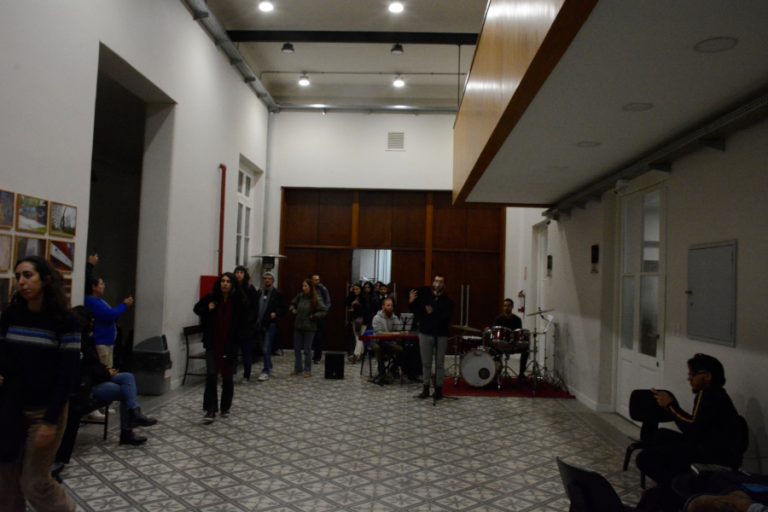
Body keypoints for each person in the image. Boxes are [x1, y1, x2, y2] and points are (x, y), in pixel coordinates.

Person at [0, 256, 80, 511]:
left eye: (28, 275)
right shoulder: (12, 315)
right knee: (6, 480)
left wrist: (50, 421)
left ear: (45, 279)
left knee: (34, 482)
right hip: (12, 407)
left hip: (45, 410)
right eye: (18, 277)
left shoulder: (65, 321)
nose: (21, 282)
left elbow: (68, 375)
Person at [55, 306, 157, 477]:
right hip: (89, 385)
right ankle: (128, 426)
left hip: (98, 377)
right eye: (91, 321)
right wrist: (107, 372)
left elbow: (94, 364)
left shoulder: (88, 339)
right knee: (124, 391)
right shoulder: (77, 342)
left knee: (128, 378)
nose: (93, 324)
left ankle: (134, 412)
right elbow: (87, 369)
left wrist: (106, 371)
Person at [636, 353, 742, 511]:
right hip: (706, 445)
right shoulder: (716, 393)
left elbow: (692, 427)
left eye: (693, 375)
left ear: (707, 376)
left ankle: (676, 490)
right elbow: (696, 423)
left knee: (645, 458)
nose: (689, 379)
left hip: (712, 455)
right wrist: (671, 406)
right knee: (661, 435)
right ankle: (672, 485)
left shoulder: (708, 393)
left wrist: (670, 406)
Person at [193, 273, 247, 424]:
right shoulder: (212, 297)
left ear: (233, 285)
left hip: (229, 345)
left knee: (227, 377)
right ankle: (210, 409)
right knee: (211, 375)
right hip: (213, 343)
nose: (225, 284)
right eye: (222, 281)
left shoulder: (238, 301)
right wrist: (208, 308)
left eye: (228, 282)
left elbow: (244, 321)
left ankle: (225, 406)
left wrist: (239, 339)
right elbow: (197, 309)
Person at [409, 274, 453, 401]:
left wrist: (432, 312)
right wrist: (411, 301)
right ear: (433, 283)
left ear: (444, 285)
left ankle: (438, 389)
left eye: (440, 281)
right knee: (426, 363)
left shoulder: (448, 301)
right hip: (425, 333)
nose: (437, 284)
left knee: (439, 363)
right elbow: (417, 311)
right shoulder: (425, 297)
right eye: (436, 281)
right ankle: (426, 388)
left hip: (441, 335)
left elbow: (445, 317)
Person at [84, 276, 134, 370]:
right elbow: (109, 315)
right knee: (105, 372)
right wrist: (124, 305)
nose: (104, 286)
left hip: (107, 343)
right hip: (101, 343)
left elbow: (112, 316)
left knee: (109, 370)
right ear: (94, 287)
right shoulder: (91, 301)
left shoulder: (100, 301)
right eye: (101, 284)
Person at [288, 278, 327, 377]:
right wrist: (293, 309)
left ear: (310, 287)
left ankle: (307, 370)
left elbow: (324, 311)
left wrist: (314, 316)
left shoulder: (316, 298)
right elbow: (292, 304)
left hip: (309, 327)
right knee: (297, 349)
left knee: (307, 350)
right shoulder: (300, 296)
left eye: (305, 286)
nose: (303, 288)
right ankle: (298, 369)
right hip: (298, 326)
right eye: (303, 286)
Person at [254, 271, 286, 382]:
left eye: (269, 278)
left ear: (273, 281)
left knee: (266, 347)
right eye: (265, 278)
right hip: (260, 324)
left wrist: (276, 314)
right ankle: (269, 364)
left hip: (271, 324)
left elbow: (283, 308)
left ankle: (266, 370)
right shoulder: (259, 292)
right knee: (263, 347)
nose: (267, 280)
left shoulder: (277, 294)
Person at [493, 298, 528, 383]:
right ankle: (497, 373)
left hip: (513, 345)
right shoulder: (498, 319)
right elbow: (494, 333)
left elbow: (519, 334)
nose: (506, 307)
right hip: (501, 345)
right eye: (505, 306)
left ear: (512, 307)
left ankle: (521, 374)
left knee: (526, 350)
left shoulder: (517, 319)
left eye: (508, 306)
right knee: (493, 350)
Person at [233, 265, 259, 383]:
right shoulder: (232, 288)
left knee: (246, 352)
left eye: (241, 272)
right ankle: (231, 373)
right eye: (237, 272)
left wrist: (251, 321)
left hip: (247, 326)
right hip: (234, 325)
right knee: (232, 351)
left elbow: (255, 307)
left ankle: (246, 375)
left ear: (245, 275)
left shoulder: (250, 288)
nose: (239, 275)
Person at [370, 297, 403, 384]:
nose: (390, 307)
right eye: (388, 305)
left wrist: (402, 330)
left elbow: (399, 329)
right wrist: (393, 334)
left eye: (391, 305)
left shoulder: (394, 317)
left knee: (402, 350)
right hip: (377, 341)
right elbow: (378, 333)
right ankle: (382, 373)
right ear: (383, 307)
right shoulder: (377, 318)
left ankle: (392, 369)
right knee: (377, 348)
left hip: (388, 342)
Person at [311, 273, 330, 364]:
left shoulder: (323, 289)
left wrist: (324, 312)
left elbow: (328, 302)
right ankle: (313, 354)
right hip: (311, 315)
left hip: (320, 315)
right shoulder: (309, 288)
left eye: (318, 279)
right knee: (312, 336)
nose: (316, 281)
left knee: (319, 336)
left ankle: (317, 356)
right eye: (315, 280)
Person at [346, 283, 366, 363]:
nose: (355, 291)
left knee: (359, 338)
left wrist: (358, 305)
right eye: (354, 289)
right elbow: (346, 302)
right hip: (354, 320)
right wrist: (350, 293)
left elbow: (366, 310)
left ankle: (355, 355)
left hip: (363, 320)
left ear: (361, 289)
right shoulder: (353, 297)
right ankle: (361, 354)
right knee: (357, 338)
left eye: (357, 289)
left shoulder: (363, 298)